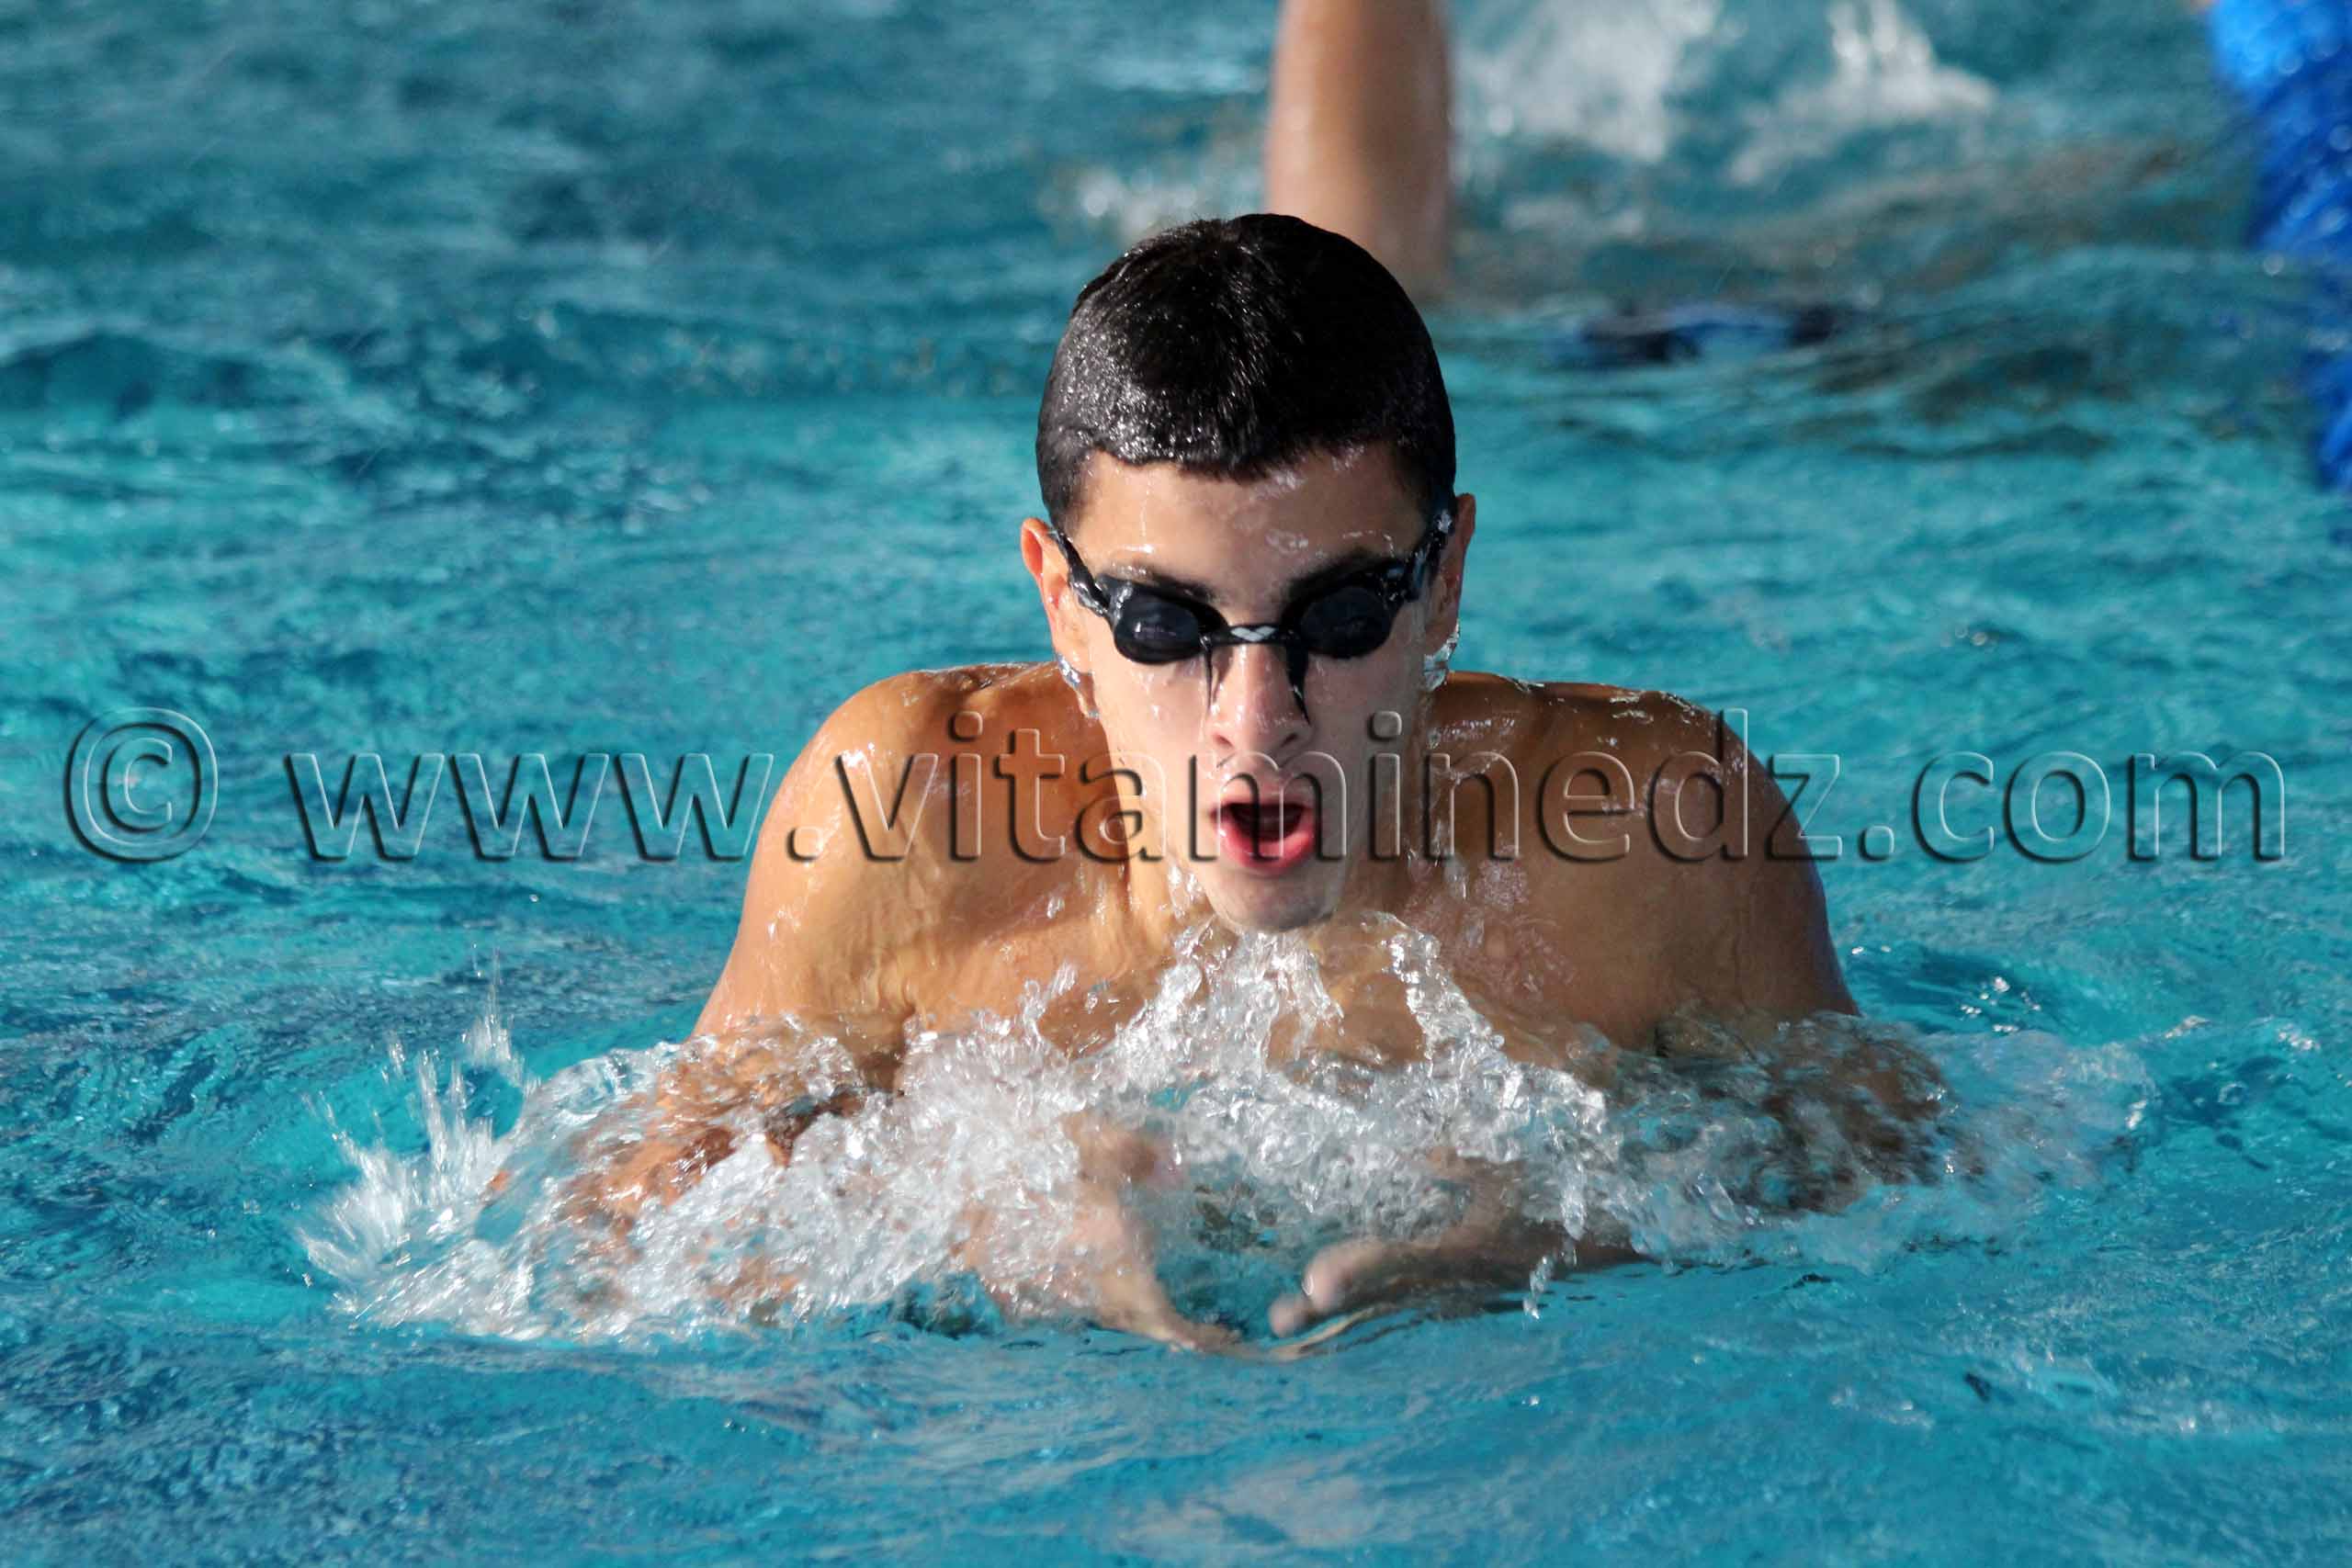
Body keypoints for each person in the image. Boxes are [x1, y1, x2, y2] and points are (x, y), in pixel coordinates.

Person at [574, 0, 1926, 1350]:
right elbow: (603, 1245)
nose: (1258, 721)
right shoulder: (906, 823)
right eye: (1164, 626)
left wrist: (1570, 1245)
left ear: (1443, 580)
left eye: (1339, 615)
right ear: (1062, 603)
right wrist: (969, 1230)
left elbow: (1922, 1183)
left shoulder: (1656, 840)